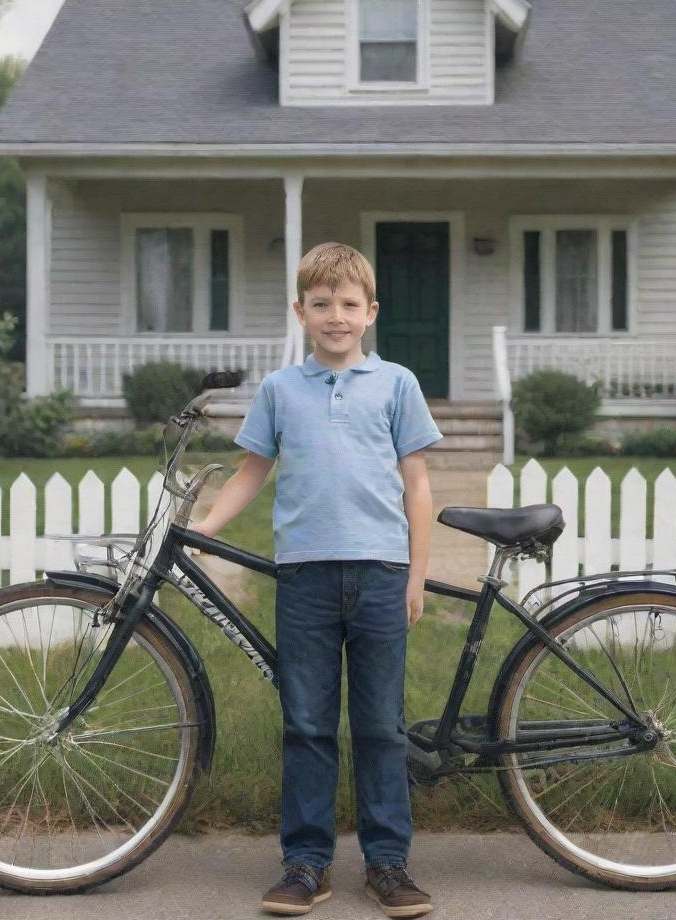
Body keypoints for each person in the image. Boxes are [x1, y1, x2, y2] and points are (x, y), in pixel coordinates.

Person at [189, 241, 442, 917]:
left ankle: (388, 863)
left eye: (349, 305)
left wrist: (416, 574)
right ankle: (305, 864)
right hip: (303, 578)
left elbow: (417, 486)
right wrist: (209, 527)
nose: (337, 316)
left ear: (371, 313)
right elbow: (252, 471)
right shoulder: (279, 390)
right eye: (322, 304)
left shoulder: (396, 385)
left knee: (382, 725)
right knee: (306, 723)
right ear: (301, 312)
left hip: (382, 573)